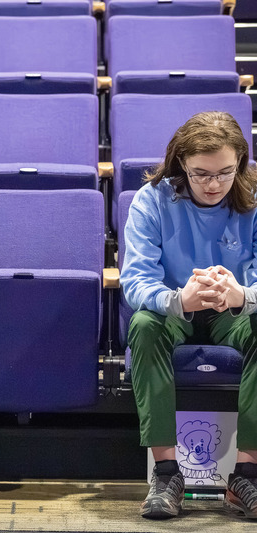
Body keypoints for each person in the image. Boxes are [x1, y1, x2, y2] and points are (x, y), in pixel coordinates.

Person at [121, 111, 257, 520]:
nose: (214, 184)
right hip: (176, 308)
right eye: (201, 174)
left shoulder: (252, 197)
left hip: (232, 310)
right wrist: (180, 300)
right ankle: (166, 474)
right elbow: (136, 282)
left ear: (240, 164)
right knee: (143, 325)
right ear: (181, 162)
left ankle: (247, 475)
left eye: (225, 173)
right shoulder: (152, 199)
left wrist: (242, 295)